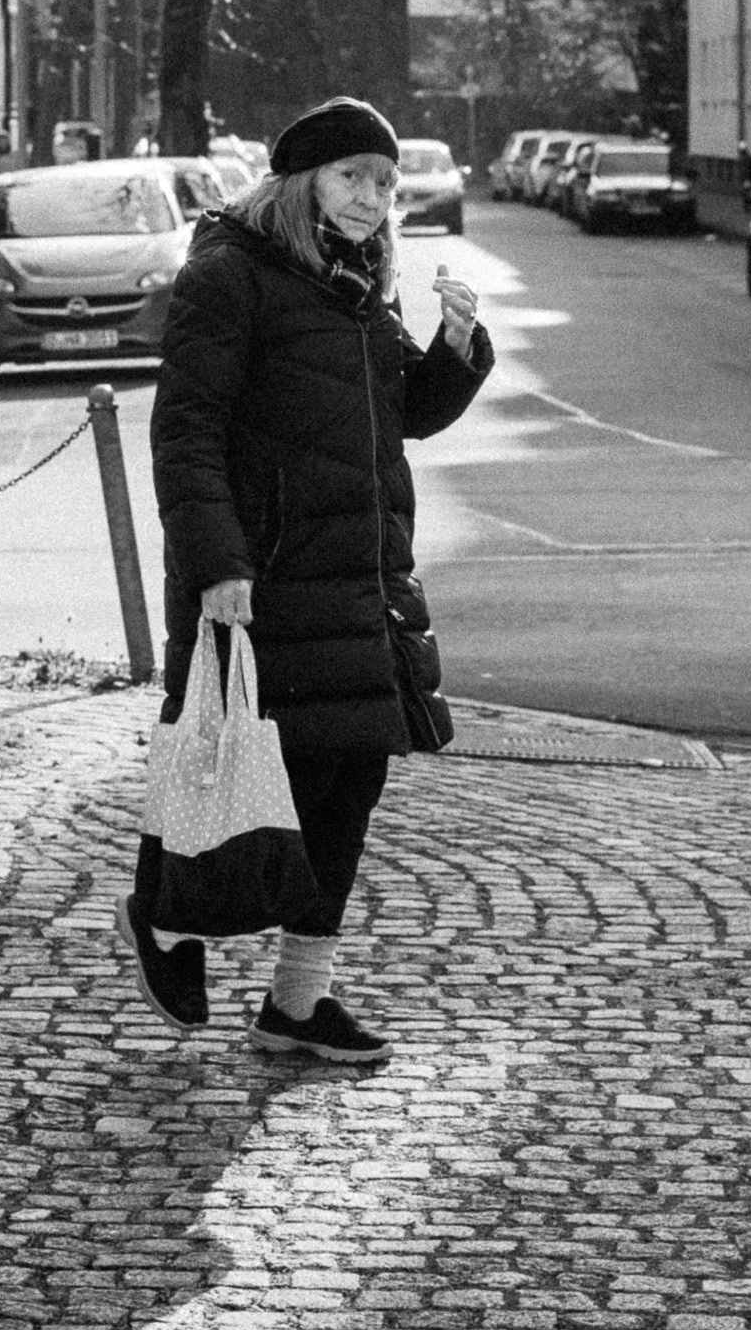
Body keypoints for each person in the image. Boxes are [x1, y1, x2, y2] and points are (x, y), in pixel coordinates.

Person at [132, 95, 492, 1066]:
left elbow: (405, 411)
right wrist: (216, 565)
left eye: (384, 182)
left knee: (350, 781)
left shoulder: (357, 285)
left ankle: (298, 1003)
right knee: (245, 768)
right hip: (265, 579)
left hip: (362, 578)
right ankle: (164, 914)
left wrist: (458, 350)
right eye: (352, 178)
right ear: (301, 183)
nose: (374, 198)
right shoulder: (230, 277)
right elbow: (186, 430)